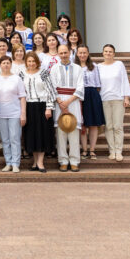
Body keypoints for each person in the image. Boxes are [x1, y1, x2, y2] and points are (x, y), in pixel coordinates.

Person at [49, 43, 84, 172]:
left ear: (70, 52)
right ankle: (63, 160)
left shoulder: (78, 68)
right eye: (61, 53)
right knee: (61, 132)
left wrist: (68, 101)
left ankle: (74, 160)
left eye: (65, 52)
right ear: (58, 54)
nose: (63, 55)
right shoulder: (54, 68)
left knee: (74, 131)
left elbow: (80, 87)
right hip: (59, 103)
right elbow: (51, 86)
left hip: (73, 102)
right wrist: (60, 102)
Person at [20, 51, 54, 172]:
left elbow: (50, 91)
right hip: (28, 106)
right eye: (29, 61)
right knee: (31, 134)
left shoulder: (44, 73)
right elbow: (20, 92)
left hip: (42, 106)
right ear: (26, 62)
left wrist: (49, 107)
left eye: (33, 61)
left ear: (37, 62)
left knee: (42, 134)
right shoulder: (22, 74)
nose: (31, 63)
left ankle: (40, 162)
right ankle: (35, 161)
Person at [98, 43, 130, 162]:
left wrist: (126, 97)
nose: (108, 53)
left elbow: (124, 81)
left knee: (117, 126)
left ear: (114, 53)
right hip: (104, 99)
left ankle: (119, 151)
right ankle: (111, 151)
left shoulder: (119, 64)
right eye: (106, 51)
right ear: (103, 53)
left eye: (110, 51)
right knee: (108, 126)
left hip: (118, 98)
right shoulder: (98, 67)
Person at [0, 55, 26, 173]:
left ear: (11, 64)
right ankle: (8, 162)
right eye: (3, 63)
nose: (6, 65)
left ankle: (16, 163)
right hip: (1, 113)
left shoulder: (17, 79)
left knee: (15, 138)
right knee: (5, 139)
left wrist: (23, 114)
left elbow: (22, 97)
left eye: (8, 63)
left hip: (15, 113)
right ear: (0, 65)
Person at [76, 44, 105, 160]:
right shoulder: (74, 66)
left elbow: (98, 84)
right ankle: (84, 150)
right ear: (77, 54)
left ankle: (92, 149)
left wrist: (94, 95)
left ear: (88, 54)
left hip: (92, 94)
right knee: (83, 124)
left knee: (93, 125)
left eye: (84, 53)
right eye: (80, 53)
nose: (82, 55)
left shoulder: (94, 66)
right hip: (79, 95)